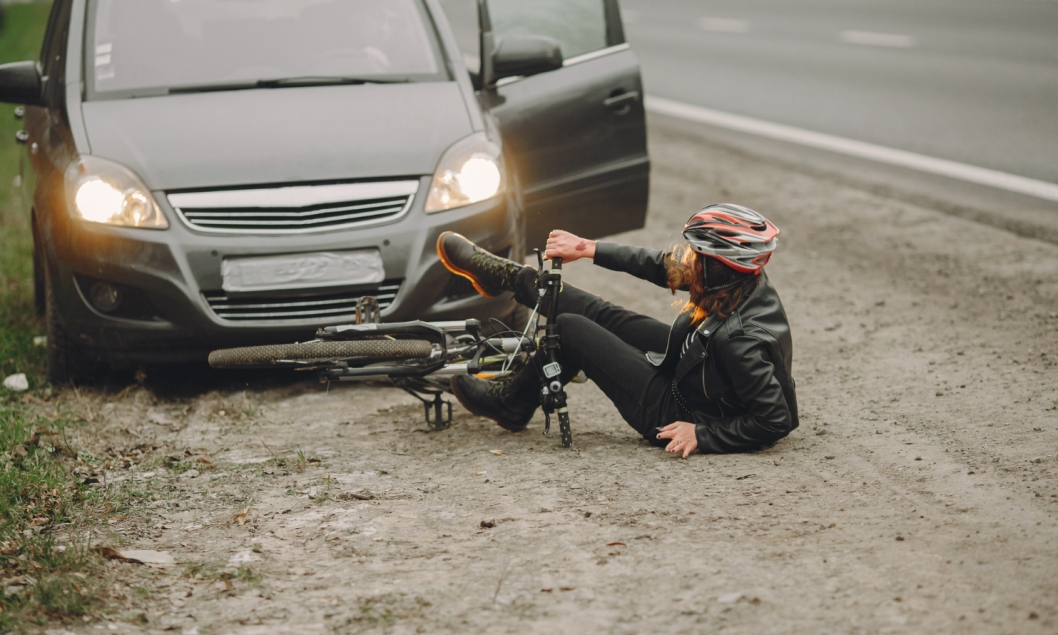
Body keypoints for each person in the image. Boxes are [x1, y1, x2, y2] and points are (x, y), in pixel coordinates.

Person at [436, 204, 798, 457]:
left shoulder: (740, 341)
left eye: (698, 255)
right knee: (603, 312)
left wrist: (702, 434)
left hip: (674, 409)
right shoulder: (737, 280)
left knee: (571, 328)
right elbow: (662, 266)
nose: (689, 259)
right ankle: (510, 276)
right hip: (696, 366)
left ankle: (511, 403)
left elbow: (775, 419)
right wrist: (588, 248)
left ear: (723, 266)